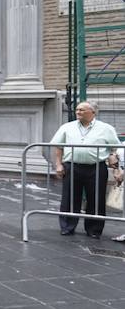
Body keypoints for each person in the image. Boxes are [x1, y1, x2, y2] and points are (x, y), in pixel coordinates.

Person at [51, 101, 120, 239]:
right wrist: (58, 165)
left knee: (96, 199)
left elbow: (115, 146)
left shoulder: (106, 128)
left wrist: (113, 156)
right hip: (72, 166)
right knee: (69, 198)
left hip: (96, 168)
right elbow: (58, 146)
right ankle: (67, 227)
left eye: (82, 110)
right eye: (77, 109)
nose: (78, 112)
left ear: (93, 112)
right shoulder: (67, 127)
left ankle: (94, 230)